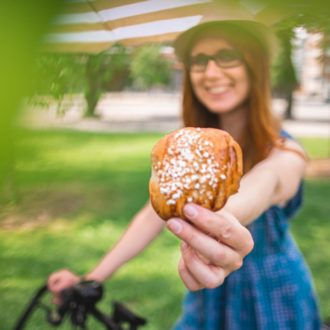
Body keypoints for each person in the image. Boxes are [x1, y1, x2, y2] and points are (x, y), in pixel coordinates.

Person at [48, 10, 321, 330]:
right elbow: (152, 214)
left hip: (272, 298)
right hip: (206, 297)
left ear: (254, 65)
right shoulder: (187, 154)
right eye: (199, 60)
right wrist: (92, 278)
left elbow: (267, 182)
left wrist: (223, 216)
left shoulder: (285, 150)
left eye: (227, 56)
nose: (211, 71)